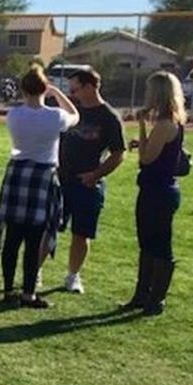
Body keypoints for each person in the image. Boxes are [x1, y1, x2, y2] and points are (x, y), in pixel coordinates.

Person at [0, 66, 79, 308]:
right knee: (34, 241)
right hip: (43, 175)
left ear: (22, 89)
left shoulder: (14, 115)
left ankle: (9, 290)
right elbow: (75, 115)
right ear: (44, 88)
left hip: (17, 172)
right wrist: (57, 94)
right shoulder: (55, 116)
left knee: (12, 239)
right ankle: (28, 293)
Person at [123, 71, 187, 316]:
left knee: (159, 245)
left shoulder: (164, 123)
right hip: (157, 189)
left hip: (158, 191)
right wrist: (145, 140)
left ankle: (155, 298)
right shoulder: (173, 122)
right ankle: (143, 294)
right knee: (148, 243)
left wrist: (140, 126)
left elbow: (147, 159)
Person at [57, 68, 126, 293]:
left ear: (90, 87)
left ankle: (73, 275)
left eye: (75, 88)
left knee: (81, 233)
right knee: (47, 228)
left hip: (87, 184)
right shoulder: (70, 111)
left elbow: (118, 153)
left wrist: (96, 175)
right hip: (61, 180)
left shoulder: (109, 117)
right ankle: (33, 274)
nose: (72, 93)